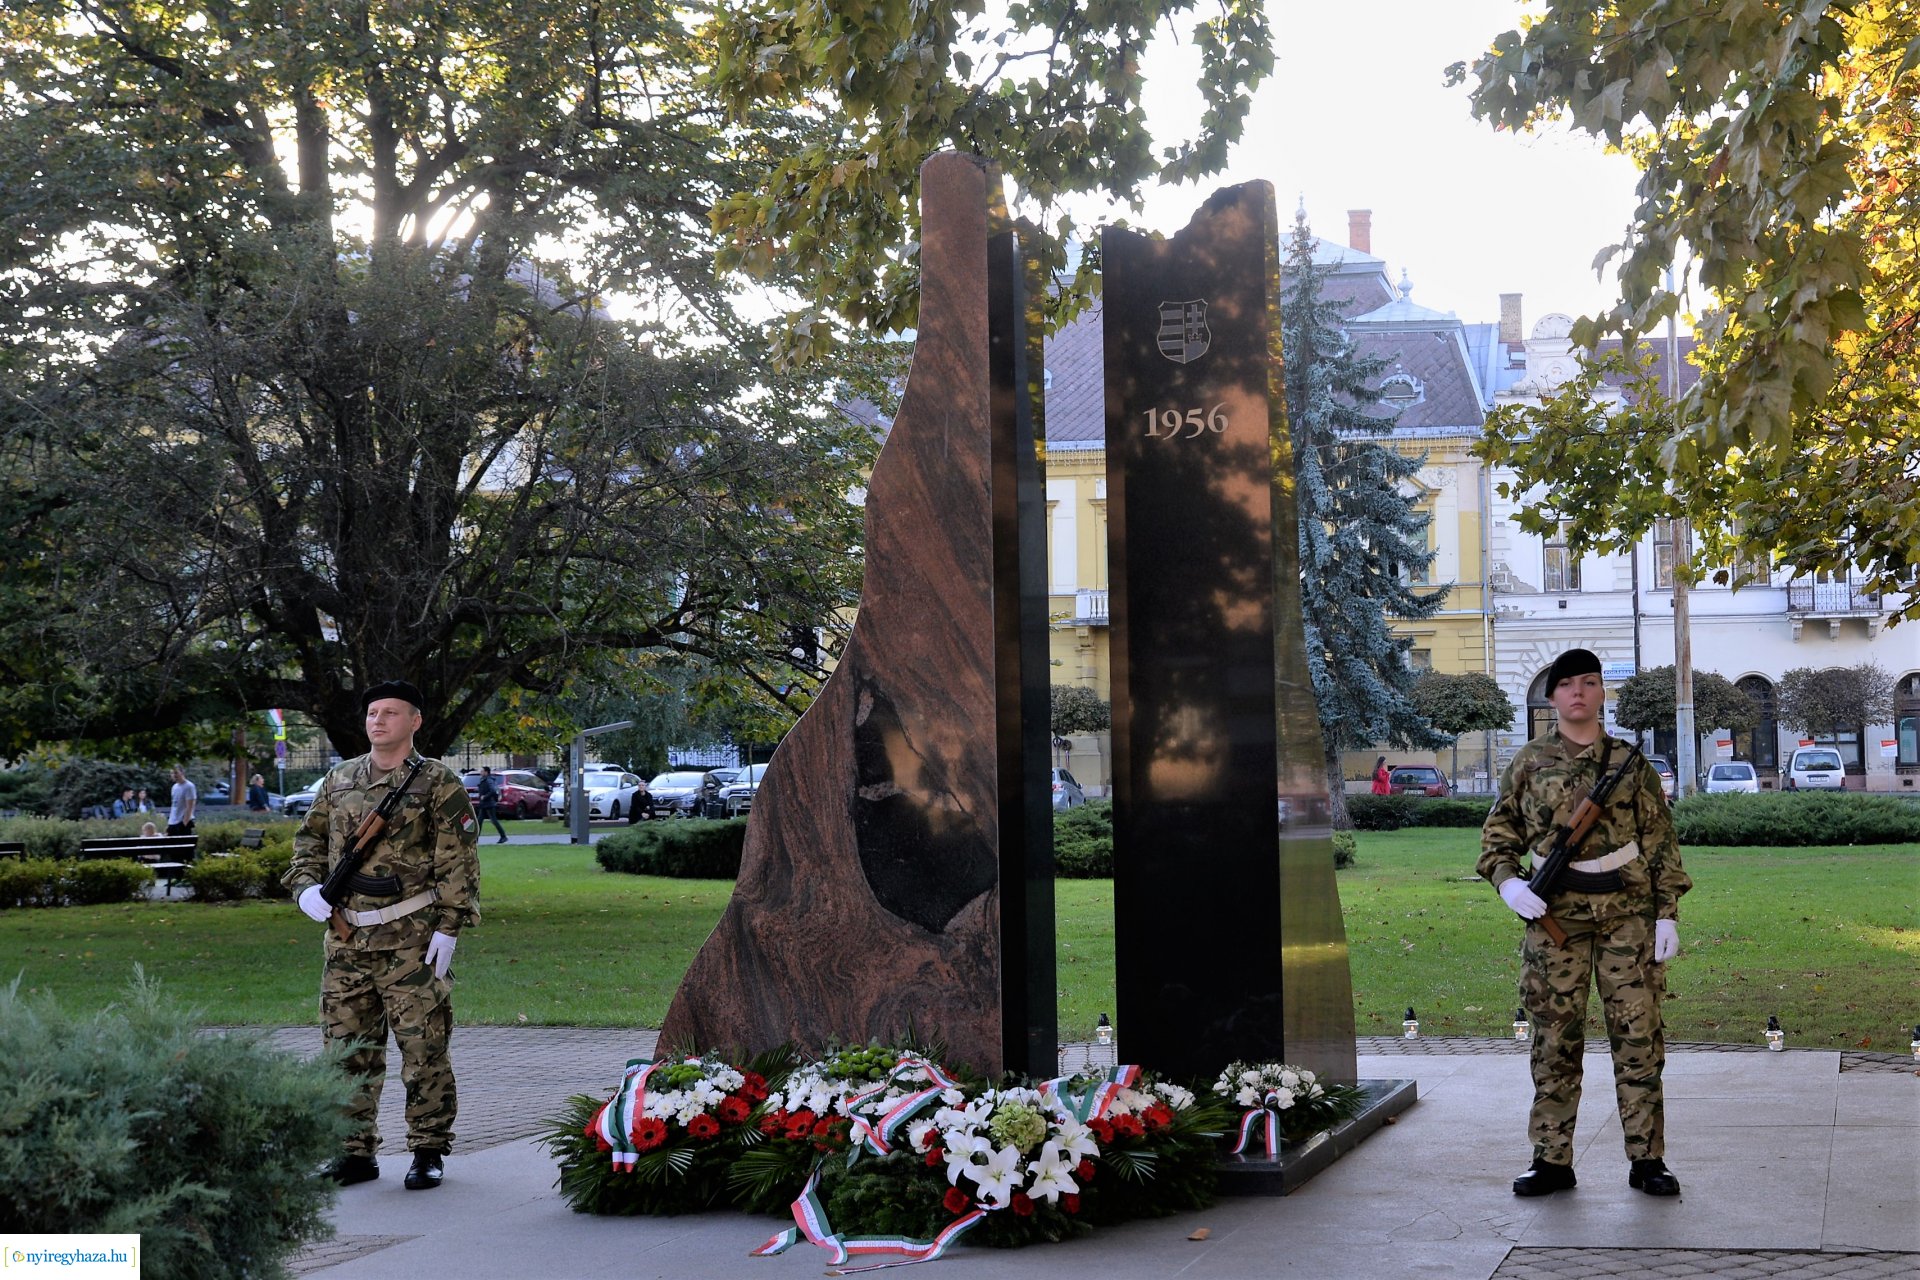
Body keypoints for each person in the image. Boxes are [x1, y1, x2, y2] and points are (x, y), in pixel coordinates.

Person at [1478, 647, 1690, 1199]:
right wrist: (1509, 882)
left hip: (1628, 916)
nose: (1579, 692)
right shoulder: (1528, 762)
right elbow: (1497, 838)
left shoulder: (1627, 762)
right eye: (1568, 684)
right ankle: (1551, 1159)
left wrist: (1667, 914)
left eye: (1589, 682)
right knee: (1554, 1040)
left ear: (1601, 692)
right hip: (1556, 919)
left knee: (1638, 1037)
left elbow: (1661, 841)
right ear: (1552, 698)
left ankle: (1648, 1159)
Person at [285, 679, 480, 1192]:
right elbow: (308, 841)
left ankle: (427, 1150)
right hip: (346, 943)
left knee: (424, 1050)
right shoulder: (339, 779)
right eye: (373, 712)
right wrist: (306, 889)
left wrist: (450, 927)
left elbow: (458, 860)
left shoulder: (437, 782)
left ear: (414, 721)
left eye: (391, 713)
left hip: (412, 942)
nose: (378, 721)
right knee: (346, 1052)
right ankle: (353, 1152)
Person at [473, 766, 509, 843]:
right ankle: (475, 839)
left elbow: (492, 790)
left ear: (486, 772)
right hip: (484, 804)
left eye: (482, 771)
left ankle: (503, 836)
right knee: (479, 821)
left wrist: (484, 796)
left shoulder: (489, 780)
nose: (480, 772)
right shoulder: (484, 780)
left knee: (493, 820)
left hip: (489, 804)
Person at [165, 766, 197, 836]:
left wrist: (184, 823)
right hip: (173, 822)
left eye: (176, 773)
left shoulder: (189, 786)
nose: (174, 775)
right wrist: (170, 822)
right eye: (172, 773)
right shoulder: (174, 787)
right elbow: (174, 805)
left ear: (182, 773)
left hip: (182, 823)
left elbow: (190, 806)